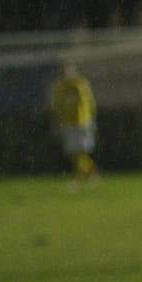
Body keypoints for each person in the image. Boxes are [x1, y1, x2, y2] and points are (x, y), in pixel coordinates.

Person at [50, 62, 100, 191]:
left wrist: (91, 119)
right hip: (68, 123)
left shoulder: (80, 84)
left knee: (80, 152)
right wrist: (58, 120)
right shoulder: (59, 88)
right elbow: (57, 106)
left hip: (82, 122)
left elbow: (88, 102)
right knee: (73, 153)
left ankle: (76, 180)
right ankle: (92, 172)